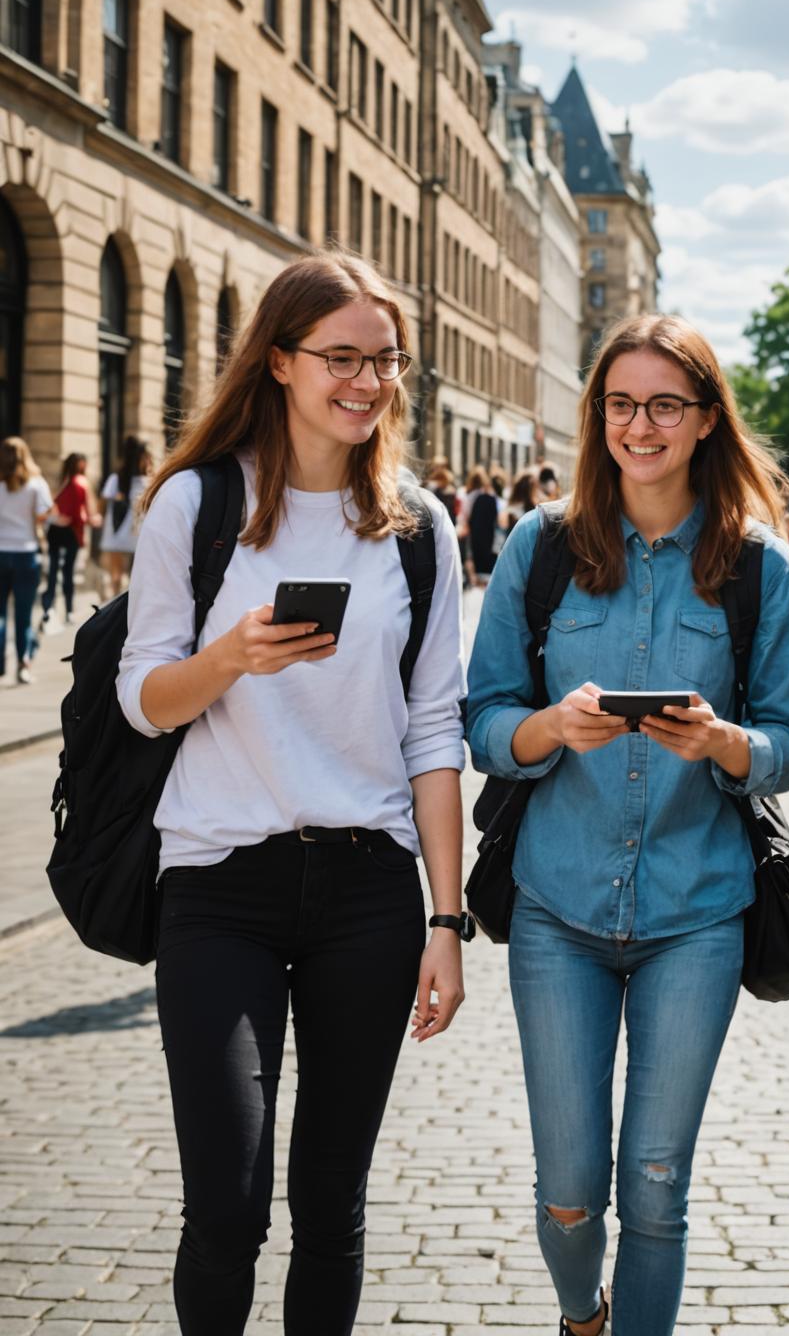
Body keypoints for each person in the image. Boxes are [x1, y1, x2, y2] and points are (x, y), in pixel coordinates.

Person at [117, 251, 468, 1335]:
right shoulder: (198, 501)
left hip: (367, 890)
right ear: (279, 361)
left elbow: (433, 727)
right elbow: (144, 697)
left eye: (385, 363)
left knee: (331, 1205)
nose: (366, 383)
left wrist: (447, 921)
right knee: (226, 1205)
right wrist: (231, 660)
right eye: (341, 359)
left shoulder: (418, 526)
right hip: (219, 881)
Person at [466, 314, 789, 1336]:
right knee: (570, 1188)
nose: (641, 424)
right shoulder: (542, 547)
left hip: (698, 911)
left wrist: (724, 746)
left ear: (707, 419)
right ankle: (584, 1315)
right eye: (621, 403)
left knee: (657, 1184)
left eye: (666, 404)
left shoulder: (758, 567)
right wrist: (546, 727)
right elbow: (481, 721)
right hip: (558, 907)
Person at [0, 436, 53, 684]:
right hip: (26, 552)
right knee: (23, 614)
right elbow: (44, 514)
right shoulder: (36, 483)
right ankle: (23, 663)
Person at [39, 452, 100, 633]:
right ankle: (68, 611)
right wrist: (89, 520)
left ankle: (49, 610)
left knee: (53, 572)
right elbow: (84, 510)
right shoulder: (80, 482)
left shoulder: (63, 482)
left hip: (57, 530)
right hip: (71, 530)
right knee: (67, 572)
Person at [100, 435, 152, 597]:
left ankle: (115, 605)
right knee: (136, 577)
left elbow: (102, 503)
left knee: (116, 575)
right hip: (139, 533)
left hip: (117, 531)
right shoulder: (149, 481)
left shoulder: (116, 479)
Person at [458, 466, 503, 589]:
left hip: (470, 532)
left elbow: (464, 515)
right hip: (487, 534)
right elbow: (498, 517)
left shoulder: (468, 494)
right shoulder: (490, 496)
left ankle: (472, 580)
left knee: (469, 557)